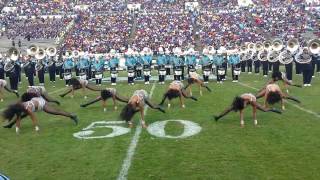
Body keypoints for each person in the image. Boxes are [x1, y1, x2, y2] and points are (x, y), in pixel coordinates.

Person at [2, 93, 79, 134]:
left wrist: (36, 127)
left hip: (41, 103)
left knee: (56, 112)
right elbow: (18, 119)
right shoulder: (18, 108)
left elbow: (33, 117)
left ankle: (72, 116)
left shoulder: (27, 108)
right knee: (20, 116)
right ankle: (10, 126)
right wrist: (17, 129)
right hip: (34, 101)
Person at [214, 93, 282, 127]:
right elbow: (241, 111)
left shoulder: (252, 101)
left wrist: (255, 121)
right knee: (229, 108)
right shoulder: (240, 101)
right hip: (243, 98)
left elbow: (254, 111)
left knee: (264, 110)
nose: (244, 107)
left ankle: (272, 109)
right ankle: (218, 117)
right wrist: (242, 122)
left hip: (252, 98)